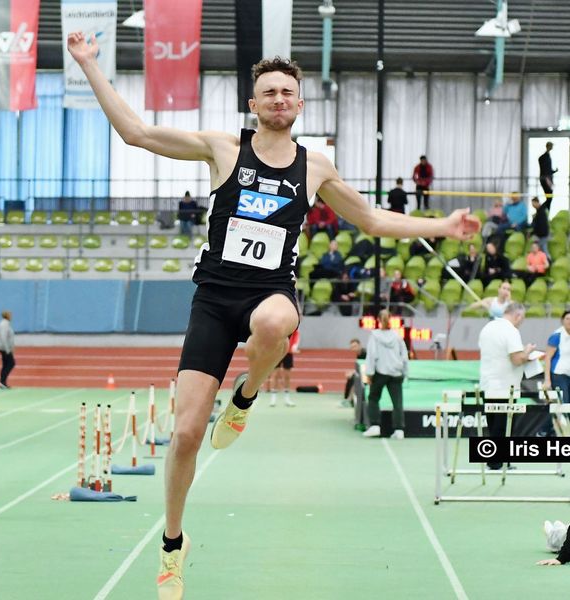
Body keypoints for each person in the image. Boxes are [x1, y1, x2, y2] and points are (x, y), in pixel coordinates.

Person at [67, 31, 479, 599]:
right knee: (186, 433)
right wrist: (89, 64)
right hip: (213, 299)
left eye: (288, 91)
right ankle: (172, 544)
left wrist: (442, 227)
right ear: (253, 104)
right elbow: (136, 133)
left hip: (271, 293)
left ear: (300, 103)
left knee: (273, 323)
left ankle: (245, 397)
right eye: (269, 92)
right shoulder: (223, 150)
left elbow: (374, 222)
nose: (279, 99)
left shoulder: (316, 168)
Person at [478, 303, 535, 469]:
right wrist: (528, 351)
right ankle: (497, 463)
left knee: (493, 425)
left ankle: (497, 460)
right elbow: (517, 359)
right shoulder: (511, 331)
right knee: (504, 427)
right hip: (505, 386)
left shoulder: (487, 328)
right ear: (517, 316)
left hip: (488, 383)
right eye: (522, 319)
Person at [362, 309, 409, 439]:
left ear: (378, 320)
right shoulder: (397, 336)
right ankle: (399, 430)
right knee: (397, 402)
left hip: (380, 372)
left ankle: (375, 426)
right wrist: (405, 372)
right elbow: (404, 356)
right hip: (396, 372)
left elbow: (371, 355)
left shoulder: (374, 336)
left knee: (373, 397)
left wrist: (369, 373)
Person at [543, 311, 570, 405]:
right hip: (559, 375)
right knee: (564, 404)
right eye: (567, 319)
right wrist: (547, 380)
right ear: (562, 321)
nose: (569, 321)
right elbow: (547, 358)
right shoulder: (557, 336)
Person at [269, 329, 299, 407]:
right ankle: (273, 398)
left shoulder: (292, 323)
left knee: (287, 376)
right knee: (275, 374)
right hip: (277, 351)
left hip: (288, 352)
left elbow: (296, 335)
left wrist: (295, 345)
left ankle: (287, 398)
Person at [342, 338, 367, 408]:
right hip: (363, 373)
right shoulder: (359, 354)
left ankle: (349, 399)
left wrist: (353, 373)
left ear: (359, 345)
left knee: (355, 379)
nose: (353, 348)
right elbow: (359, 368)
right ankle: (347, 398)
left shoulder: (365, 353)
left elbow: (364, 368)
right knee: (351, 378)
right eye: (352, 347)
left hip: (368, 375)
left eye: (355, 346)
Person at [0, 310, 15, 389]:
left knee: (5, 364)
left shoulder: (5, 323)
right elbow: (4, 337)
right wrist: (7, 349)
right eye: (10, 314)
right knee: (11, 363)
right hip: (4, 348)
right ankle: (2, 381)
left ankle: (2, 382)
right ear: (7, 315)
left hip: (4, 347)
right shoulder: (4, 324)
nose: (11, 316)